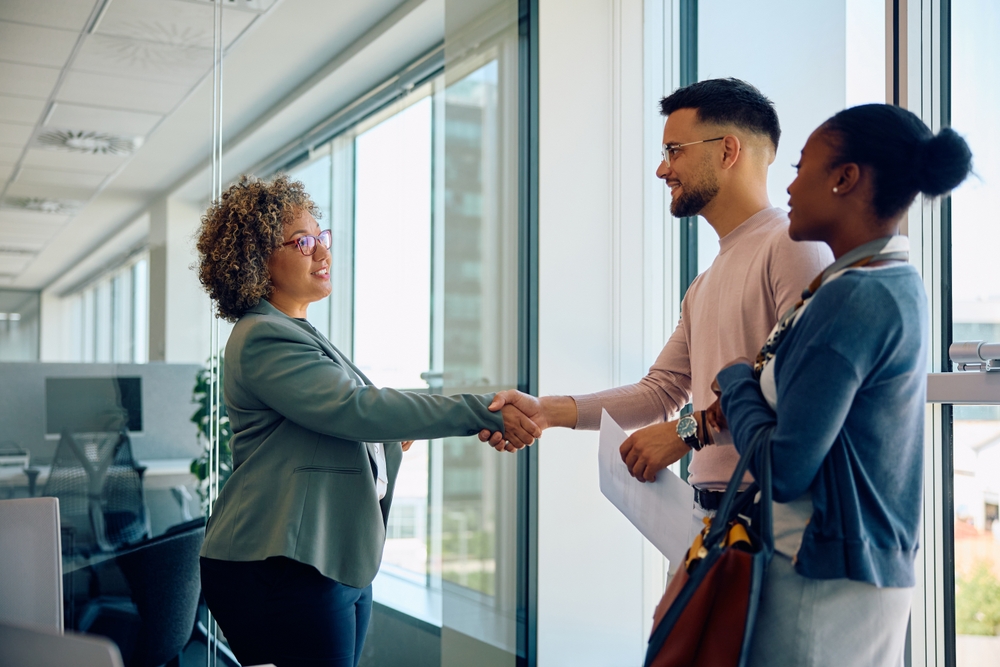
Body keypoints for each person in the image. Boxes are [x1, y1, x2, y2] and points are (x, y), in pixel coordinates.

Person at [194, 175, 540, 667]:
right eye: (304, 242)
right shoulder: (263, 336)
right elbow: (356, 409)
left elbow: (340, 417)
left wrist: (386, 435)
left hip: (331, 556)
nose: (323, 254)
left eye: (323, 237)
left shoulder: (298, 331)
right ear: (257, 257)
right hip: (278, 563)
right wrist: (477, 411)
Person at [482, 78, 831, 552]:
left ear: (727, 151)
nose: (661, 169)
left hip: (773, 513)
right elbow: (662, 391)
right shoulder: (703, 285)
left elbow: (798, 385)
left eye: (674, 150)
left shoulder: (794, 246)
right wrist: (546, 412)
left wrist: (685, 433)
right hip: (708, 514)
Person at [710, 104, 972, 665]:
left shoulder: (853, 297)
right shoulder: (885, 282)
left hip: (822, 581)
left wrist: (735, 381)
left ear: (844, 178)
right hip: (851, 571)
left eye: (802, 165)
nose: (790, 183)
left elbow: (784, 468)